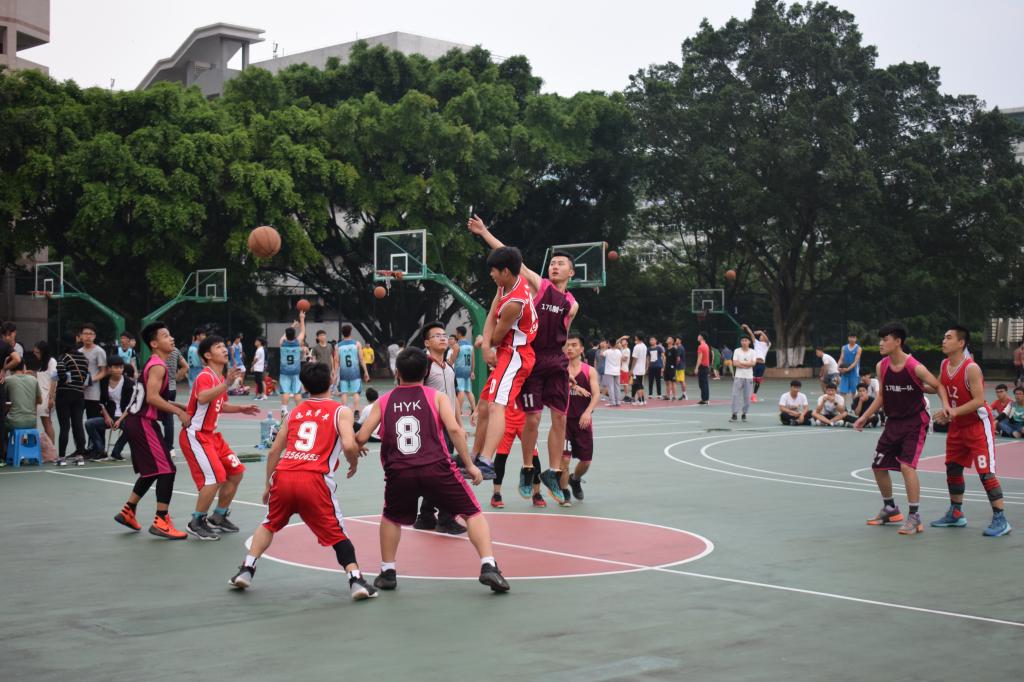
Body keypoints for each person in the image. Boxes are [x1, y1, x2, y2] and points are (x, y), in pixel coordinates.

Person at [356, 348, 510, 593]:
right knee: (472, 513)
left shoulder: (383, 401)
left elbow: (362, 436)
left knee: (391, 518)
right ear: (426, 372)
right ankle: (488, 565)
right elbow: (455, 430)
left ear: (397, 372)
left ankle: (387, 571)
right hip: (436, 467)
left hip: (399, 471)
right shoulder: (436, 397)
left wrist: (354, 452)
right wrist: (470, 465)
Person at [229, 362, 378, 600]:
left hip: (284, 475)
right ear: (331, 381)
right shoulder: (341, 411)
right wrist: (353, 462)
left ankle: (246, 569)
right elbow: (350, 444)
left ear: (303, 386)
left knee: (269, 523)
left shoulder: (294, 412)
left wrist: (268, 485)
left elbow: (273, 451)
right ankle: (356, 580)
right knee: (338, 533)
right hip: (315, 479)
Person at [467, 216, 576, 504]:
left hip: (556, 361)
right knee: (532, 418)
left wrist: (569, 366)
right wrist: (484, 232)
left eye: (561, 264)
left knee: (560, 417)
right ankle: (528, 467)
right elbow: (510, 259)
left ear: (572, 272)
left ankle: (553, 471)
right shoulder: (539, 286)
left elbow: (564, 334)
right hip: (531, 358)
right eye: (553, 263)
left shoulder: (572, 304)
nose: (555, 266)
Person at [854, 322, 943, 535]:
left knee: (906, 467)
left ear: (898, 341)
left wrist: (946, 407)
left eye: (885, 339)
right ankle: (890, 509)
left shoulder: (915, 367)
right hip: (893, 422)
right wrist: (865, 416)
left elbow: (937, 385)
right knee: (878, 465)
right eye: (881, 339)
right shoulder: (881, 366)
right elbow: (882, 396)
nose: (880, 343)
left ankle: (915, 517)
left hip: (915, 422)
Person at [465, 244, 538, 489]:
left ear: (505, 271)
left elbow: (496, 336)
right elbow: (490, 316)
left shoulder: (514, 303)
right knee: (484, 405)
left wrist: (486, 343)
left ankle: (486, 461)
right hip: (507, 352)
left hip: (516, 355)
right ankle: (474, 456)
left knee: (497, 405)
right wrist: (486, 345)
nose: (491, 275)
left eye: (494, 271)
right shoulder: (508, 284)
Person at [113, 321, 192, 540]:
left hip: (137, 422)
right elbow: (152, 398)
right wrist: (179, 413)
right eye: (166, 336)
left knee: (154, 470)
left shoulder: (153, 363)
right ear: (154, 344)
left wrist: (183, 406)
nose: (171, 338)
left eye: (170, 335)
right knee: (167, 470)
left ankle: (128, 511)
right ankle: (161, 520)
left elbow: (154, 398)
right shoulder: (158, 366)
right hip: (143, 423)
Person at [930, 326, 1010, 536]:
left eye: (948, 337)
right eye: (944, 337)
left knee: (985, 472)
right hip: (958, 426)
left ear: (961, 343)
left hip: (977, 425)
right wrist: (912, 381)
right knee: (953, 468)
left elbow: (978, 400)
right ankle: (956, 513)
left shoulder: (971, 368)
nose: (944, 340)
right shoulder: (944, 364)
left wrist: (952, 412)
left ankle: (1001, 518)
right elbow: (937, 386)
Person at [179, 335, 261, 540]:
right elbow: (202, 397)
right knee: (215, 478)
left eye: (224, 346)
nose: (224, 349)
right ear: (207, 355)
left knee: (236, 472)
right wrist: (227, 384)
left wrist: (240, 408)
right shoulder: (205, 376)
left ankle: (218, 516)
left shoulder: (218, 378)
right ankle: (196, 521)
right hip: (197, 435)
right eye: (218, 347)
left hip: (213, 436)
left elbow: (219, 404)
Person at [414, 321, 469, 534]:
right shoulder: (425, 366)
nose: (443, 338)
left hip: (449, 427)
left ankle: (426, 516)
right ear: (427, 343)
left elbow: (453, 399)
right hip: (433, 427)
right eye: (436, 335)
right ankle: (445, 518)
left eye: (444, 335)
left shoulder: (449, 367)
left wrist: (460, 425)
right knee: (446, 471)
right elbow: (416, 396)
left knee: (440, 470)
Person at [490, 397, 546, 509]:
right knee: (501, 456)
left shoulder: (529, 384)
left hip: (526, 423)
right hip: (506, 421)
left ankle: (536, 494)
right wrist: (477, 410)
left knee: (534, 457)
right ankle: (496, 494)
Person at [563, 333, 600, 502]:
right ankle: (564, 493)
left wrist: (587, 412)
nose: (570, 348)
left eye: (574, 345)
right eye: (567, 345)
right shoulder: (560, 369)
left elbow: (596, 394)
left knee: (586, 462)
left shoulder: (589, 370)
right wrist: (574, 387)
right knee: (564, 459)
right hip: (564, 422)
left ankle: (575, 479)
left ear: (582, 349)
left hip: (582, 421)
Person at [84, 355, 128, 459]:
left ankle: (116, 451)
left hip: (123, 417)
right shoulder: (104, 381)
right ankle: (100, 449)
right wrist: (107, 416)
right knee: (89, 423)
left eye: (121, 367)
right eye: (116, 367)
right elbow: (101, 402)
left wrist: (120, 420)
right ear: (109, 368)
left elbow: (131, 405)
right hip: (110, 416)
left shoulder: (128, 383)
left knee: (132, 428)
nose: (119, 370)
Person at [55, 335, 89, 466]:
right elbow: (85, 375)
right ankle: (80, 456)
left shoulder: (64, 357)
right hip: (79, 394)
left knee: (64, 426)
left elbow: (60, 370)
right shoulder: (83, 358)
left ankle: (62, 457)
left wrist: (64, 380)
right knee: (78, 425)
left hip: (64, 393)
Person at [336, 323, 370, 418]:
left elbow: (336, 362)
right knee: (356, 392)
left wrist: (334, 375)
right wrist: (366, 372)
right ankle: (356, 412)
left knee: (344, 393)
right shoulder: (357, 344)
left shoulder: (338, 346)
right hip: (355, 373)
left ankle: (344, 412)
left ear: (342, 333)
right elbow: (361, 359)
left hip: (343, 373)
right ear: (350, 332)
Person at [161, 343, 189, 459]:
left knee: (158, 417)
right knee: (168, 418)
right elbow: (185, 366)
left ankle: (166, 447)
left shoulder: (160, 350)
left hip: (161, 388)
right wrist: (175, 378)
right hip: (172, 388)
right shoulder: (175, 350)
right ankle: (169, 447)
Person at [278, 312, 307, 418]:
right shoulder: (297, 342)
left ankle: (284, 410)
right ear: (294, 335)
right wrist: (302, 318)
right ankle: (300, 411)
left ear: (286, 335)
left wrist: (293, 325)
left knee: (285, 391)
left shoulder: (282, 343)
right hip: (296, 371)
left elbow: (285, 335)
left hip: (284, 371)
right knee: (297, 392)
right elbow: (303, 331)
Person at [79, 322, 107, 423]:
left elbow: (103, 372)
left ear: (94, 336)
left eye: (91, 334)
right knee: (77, 421)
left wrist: (89, 380)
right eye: (85, 333)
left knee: (92, 421)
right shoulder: (79, 352)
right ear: (81, 335)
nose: (88, 336)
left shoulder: (99, 351)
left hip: (94, 393)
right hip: (80, 392)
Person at [33, 341, 58, 454]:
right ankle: (50, 449)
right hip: (41, 395)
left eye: (38, 352)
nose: (36, 355)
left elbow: (54, 379)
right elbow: (44, 377)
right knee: (46, 422)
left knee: (47, 422)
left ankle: (51, 450)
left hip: (47, 395)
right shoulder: (43, 363)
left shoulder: (52, 361)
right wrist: (33, 373)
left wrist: (51, 398)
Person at [5, 360, 41, 433]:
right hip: (32, 422)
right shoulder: (33, 379)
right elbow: (40, 401)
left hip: (14, 421)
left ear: (10, 367)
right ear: (23, 367)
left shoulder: (7, 380)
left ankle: (7, 440)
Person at [729, 335, 757, 422]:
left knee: (747, 397)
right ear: (741, 342)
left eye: (746, 340)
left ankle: (744, 413)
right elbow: (735, 363)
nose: (744, 342)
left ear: (749, 342)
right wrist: (747, 364)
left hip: (749, 377)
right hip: (738, 376)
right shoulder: (737, 351)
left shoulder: (753, 352)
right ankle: (734, 414)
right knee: (735, 395)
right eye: (742, 340)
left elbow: (753, 363)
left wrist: (741, 363)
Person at [453, 326, 476, 421]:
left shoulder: (457, 345)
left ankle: (458, 411)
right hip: (468, 370)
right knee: (468, 390)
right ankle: (474, 409)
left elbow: (453, 358)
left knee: (460, 390)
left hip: (459, 370)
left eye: (456, 333)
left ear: (459, 333)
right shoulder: (470, 345)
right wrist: (472, 371)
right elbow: (473, 360)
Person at [742, 325, 770, 401]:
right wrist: (747, 327)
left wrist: (761, 332)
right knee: (751, 379)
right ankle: (747, 393)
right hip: (754, 363)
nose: (760, 336)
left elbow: (767, 340)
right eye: (760, 336)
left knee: (758, 381)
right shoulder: (756, 343)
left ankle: (754, 395)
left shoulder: (767, 344)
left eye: (762, 336)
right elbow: (751, 334)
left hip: (762, 365)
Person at [838, 333, 862, 404]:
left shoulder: (859, 348)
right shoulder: (844, 348)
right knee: (843, 391)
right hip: (844, 372)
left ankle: (854, 407)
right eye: (850, 337)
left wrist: (848, 369)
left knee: (854, 392)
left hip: (854, 373)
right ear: (848, 338)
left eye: (853, 337)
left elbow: (856, 361)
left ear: (856, 338)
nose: (852, 339)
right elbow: (841, 358)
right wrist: (838, 367)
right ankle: (843, 407)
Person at [629, 334, 649, 406]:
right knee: (639, 384)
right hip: (642, 368)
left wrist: (631, 369)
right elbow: (645, 358)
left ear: (637, 337)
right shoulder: (644, 346)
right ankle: (642, 400)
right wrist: (646, 367)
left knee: (638, 385)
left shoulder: (636, 347)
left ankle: (641, 400)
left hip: (636, 369)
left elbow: (634, 359)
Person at [600, 339, 622, 406]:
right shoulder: (619, 351)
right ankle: (618, 401)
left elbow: (601, 354)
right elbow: (621, 360)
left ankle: (612, 402)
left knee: (610, 387)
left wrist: (605, 347)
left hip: (609, 371)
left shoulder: (607, 351)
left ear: (609, 344)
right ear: (615, 344)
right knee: (617, 386)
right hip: (617, 371)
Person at [695, 333, 711, 404]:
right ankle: (705, 399)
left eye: (699, 336)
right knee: (705, 383)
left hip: (702, 366)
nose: (697, 337)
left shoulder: (701, 346)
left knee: (702, 384)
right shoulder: (706, 345)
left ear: (702, 337)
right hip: (706, 366)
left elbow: (700, 358)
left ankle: (704, 399)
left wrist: (696, 367)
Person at [663, 336, 678, 400]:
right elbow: (665, 359)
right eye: (668, 338)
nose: (667, 339)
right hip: (666, 368)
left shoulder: (674, 349)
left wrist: (674, 367)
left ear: (672, 341)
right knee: (667, 382)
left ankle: (675, 396)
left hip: (672, 368)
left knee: (673, 382)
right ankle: (668, 396)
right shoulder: (666, 349)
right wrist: (664, 367)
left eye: (669, 339)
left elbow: (677, 359)